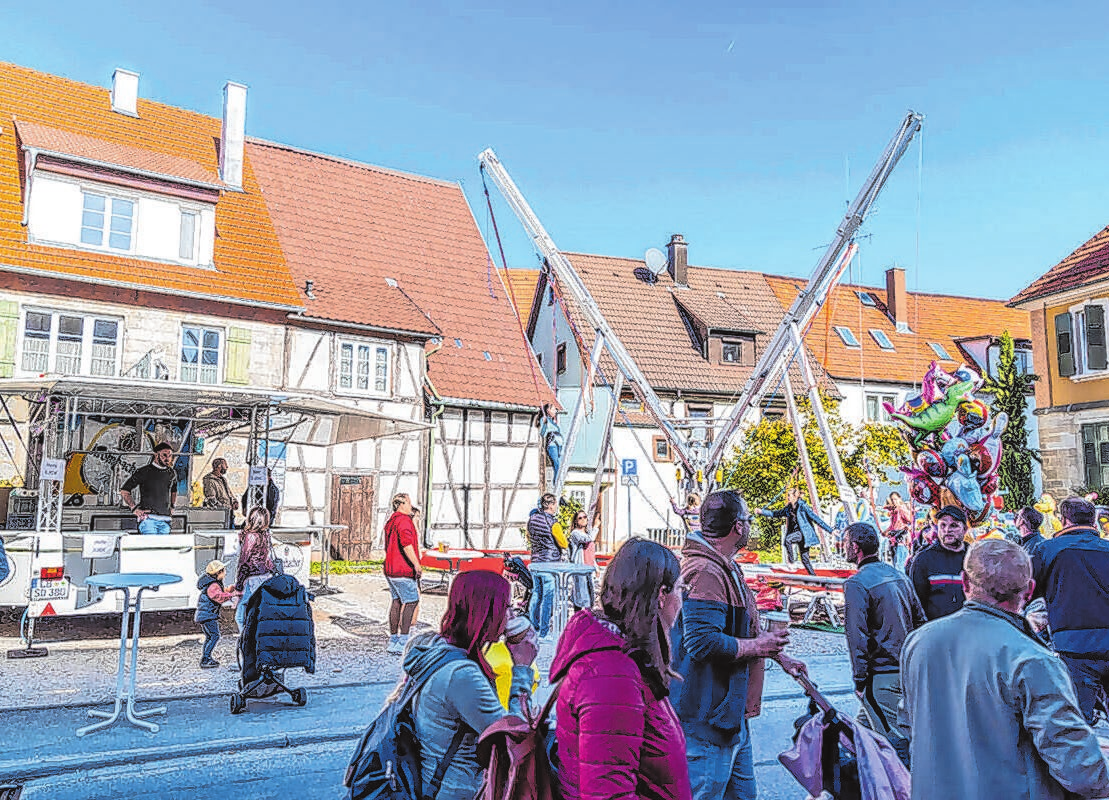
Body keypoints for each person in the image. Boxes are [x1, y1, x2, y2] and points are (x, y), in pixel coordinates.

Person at [899, 539, 1109, 800]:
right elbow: (1078, 768)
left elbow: (908, 723)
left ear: (964, 582)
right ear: (1029, 591)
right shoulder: (1031, 659)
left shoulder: (920, 642)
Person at [672, 489, 807, 800]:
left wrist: (778, 655)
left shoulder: (724, 565)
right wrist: (760, 647)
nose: (748, 525)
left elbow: (741, 632)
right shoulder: (706, 571)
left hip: (729, 718)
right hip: (707, 721)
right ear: (738, 527)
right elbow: (702, 642)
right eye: (747, 519)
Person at [552, 538, 692, 800]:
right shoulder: (612, 677)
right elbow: (608, 794)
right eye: (681, 589)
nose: (682, 601)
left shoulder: (620, 660)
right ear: (661, 595)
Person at [405, 570, 539, 800]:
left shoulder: (435, 649)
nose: (512, 615)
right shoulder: (461, 675)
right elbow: (512, 739)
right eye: (506, 608)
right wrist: (522, 668)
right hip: (457, 790)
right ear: (487, 612)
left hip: (430, 781)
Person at [842, 522, 925, 744]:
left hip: (882, 676)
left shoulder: (856, 584)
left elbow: (856, 636)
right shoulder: (899, 576)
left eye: (845, 544)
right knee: (861, 739)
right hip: (905, 670)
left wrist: (860, 680)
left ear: (855, 547)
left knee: (894, 746)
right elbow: (921, 622)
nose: (843, 548)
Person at [1032, 496, 1109, 725]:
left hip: (1074, 646)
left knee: (1076, 724)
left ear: (1064, 520)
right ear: (1093, 520)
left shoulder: (1047, 549)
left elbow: (1026, 589)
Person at [754, 486, 832, 576]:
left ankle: (791, 563)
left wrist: (830, 530)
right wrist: (761, 512)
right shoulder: (789, 508)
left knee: (789, 541)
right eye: (787, 495)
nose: (788, 497)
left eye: (789, 495)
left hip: (804, 534)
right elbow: (776, 513)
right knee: (805, 559)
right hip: (797, 534)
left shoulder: (803, 506)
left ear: (795, 497)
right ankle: (814, 578)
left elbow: (816, 518)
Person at [908, 505, 968, 620]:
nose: (947, 530)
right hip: (935, 631)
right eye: (943, 525)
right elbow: (916, 603)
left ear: (965, 529)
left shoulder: (974, 558)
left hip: (968, 631)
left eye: (954, 525)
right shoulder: (924, 559)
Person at [384, 492, 423, 655]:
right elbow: (407, 544)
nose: (411, 507)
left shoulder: (391, 521)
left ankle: (393, 639)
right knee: (411, 602)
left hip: (390, 568)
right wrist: (416, 565)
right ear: (402, 504)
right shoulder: (404, 521)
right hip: (402, 568)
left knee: (396, 601)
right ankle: (404, 640)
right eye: (409, 504)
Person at [527, 492, 564, 639]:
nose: (556, 507)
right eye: (555, 504)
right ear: (551, 504)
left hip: (535, 562)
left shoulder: (532, 520)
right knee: (548, 599)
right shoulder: (553, 523)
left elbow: (529, 537)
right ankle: (544, 631)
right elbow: (563, 543)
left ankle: (532, 627)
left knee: (536, 595)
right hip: (550, 564)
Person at [120, 443, 178, 535]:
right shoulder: (144, 472)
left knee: (164, 548)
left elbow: (174, 490)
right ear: (156, 454)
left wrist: (172, 506)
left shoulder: (172, 473)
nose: (167, 458)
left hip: (165, 519)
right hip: (148, 519)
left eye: (170, 455)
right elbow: (124, 490)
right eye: (164, 455)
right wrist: (134, 508)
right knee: (150, 546)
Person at [234, 506, 275, 632]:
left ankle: (247, 642)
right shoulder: (265, 535)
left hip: (253, 578)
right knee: (256, 612)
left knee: (241, 616)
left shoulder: (251, 536)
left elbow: (244, 560)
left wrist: (239, 585)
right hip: (264, 575)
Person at [194, 559, 239, 668]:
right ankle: (205, 659)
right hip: (208, 615)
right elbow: (218, 597)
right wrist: (232, 595)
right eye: (224, 571)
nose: (225, 573)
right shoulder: (213, 585)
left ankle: (206, 657)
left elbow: (221, 592)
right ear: (219, 572)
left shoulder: (210, 583)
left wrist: (230, 589)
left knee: (210, 636)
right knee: (215, 636)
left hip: (205, 615)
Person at [567, 508, 598, 610]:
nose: (583, 519)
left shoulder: (588, 533)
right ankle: (577, 621)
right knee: (580, 597)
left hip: (589, 567)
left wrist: (596, 567)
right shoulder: (575, 533)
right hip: (580, 567)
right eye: (580, 518)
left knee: (589, 597)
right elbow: (587, 540)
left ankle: (588, 621)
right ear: (576, 521)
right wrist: (596, 527)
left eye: (585, 517)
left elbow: (591, 553)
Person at [883, 492, 912, 572]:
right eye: (892, 500)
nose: (894, 501)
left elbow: (910, 520)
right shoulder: (894, 511)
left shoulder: (901, 509)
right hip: (893, 539)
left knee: (900, 564)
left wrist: (907, 527)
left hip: (901, 538)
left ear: (899, 499)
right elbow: (893, 525)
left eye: (895, 499)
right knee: (895, 563)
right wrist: (886, 531)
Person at [539, 403, 563, 484]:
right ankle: (556, 482)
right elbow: (543, 433)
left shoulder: (553, 422)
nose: (555, 411)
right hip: (552, 445)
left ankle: (558, 481)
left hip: (558, 446)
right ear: (548, 410)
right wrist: (545, 425)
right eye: (553, 409)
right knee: (557, 464)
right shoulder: (544, 419)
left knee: (559, 464)